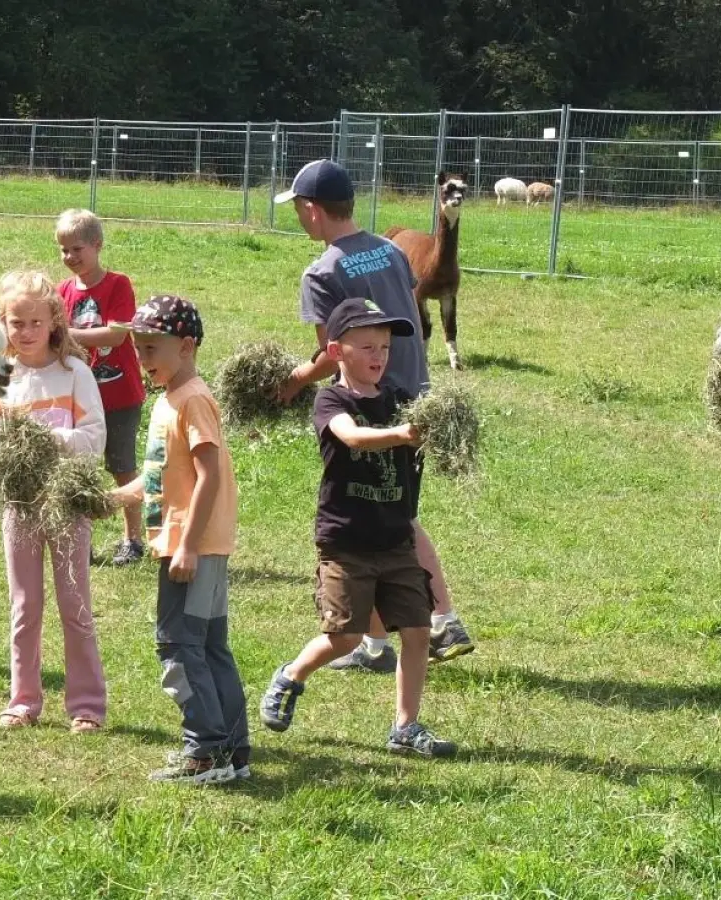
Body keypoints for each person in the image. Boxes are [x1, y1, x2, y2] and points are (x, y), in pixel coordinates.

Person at [271, 158, 476, 673]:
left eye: (297, 208)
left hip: (372, 404)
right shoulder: (390, 249)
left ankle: (444, 619)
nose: (298, 216)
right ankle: (376, 644)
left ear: (313, 210)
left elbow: (331, 354)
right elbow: (413, 318)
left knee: (396, 517)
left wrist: (295, 380)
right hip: (416, 395)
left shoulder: (322, 272)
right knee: (378, 515)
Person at [258, 297, 456, 758]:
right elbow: (351, 436)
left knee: (417, 631)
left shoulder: (399, 400)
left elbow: (423, 434)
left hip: (396, 539)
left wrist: (440, 431)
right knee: (346, 636)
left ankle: (405, 727)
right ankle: (291, 675)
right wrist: (402, 434)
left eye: (384, 347)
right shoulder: (332, 400)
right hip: (347, 542)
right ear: (335, 351)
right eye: (367, 346)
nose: (378, 356)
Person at [108, 295, 248, 784]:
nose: (141, 358)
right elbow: (159, 477)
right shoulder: (170, 399)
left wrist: (187, 544)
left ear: (186, 347)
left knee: (178, 646)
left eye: (151, 349)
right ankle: (232, 751)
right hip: (193, 544)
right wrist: (111, 498)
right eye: (137, 349)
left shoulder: (191, 400)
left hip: (191, 547)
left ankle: (205, 753)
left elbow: (210, 476)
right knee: (208, 647)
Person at [0, 270, 109, 732]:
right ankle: (23, 701)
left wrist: (50, 439)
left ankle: (87, 705)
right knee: (25, 605)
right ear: (3, 323)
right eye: (16, 323)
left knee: (75, 603)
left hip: (65, 502)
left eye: (35, 322)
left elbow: (94, 437)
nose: (26, 332)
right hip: (20, 504)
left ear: (54, 320)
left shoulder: (74, 374)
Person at [56, 208, 148, 566]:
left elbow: (117, 334)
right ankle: (81, 538)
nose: (69, 257)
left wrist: (66, 334)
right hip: (78, 400)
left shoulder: (118, 284)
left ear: (97, 245)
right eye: (63, 250)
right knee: (79, 468)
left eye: (77, 249)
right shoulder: (62, 291)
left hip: (119, 395)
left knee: (122, 465)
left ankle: (133, 539)